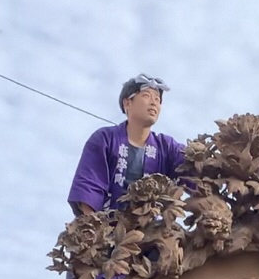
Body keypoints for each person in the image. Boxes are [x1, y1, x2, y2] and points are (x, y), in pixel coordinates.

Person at [68, 73, 185, 217]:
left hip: (148, 231)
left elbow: (191, 165)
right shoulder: (105, 139)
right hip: (107, 225)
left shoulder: (166, 147)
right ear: (127, 103)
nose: (154, 103)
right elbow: (89, 183)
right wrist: (93, 226)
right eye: (146, 96)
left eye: (157, 99)